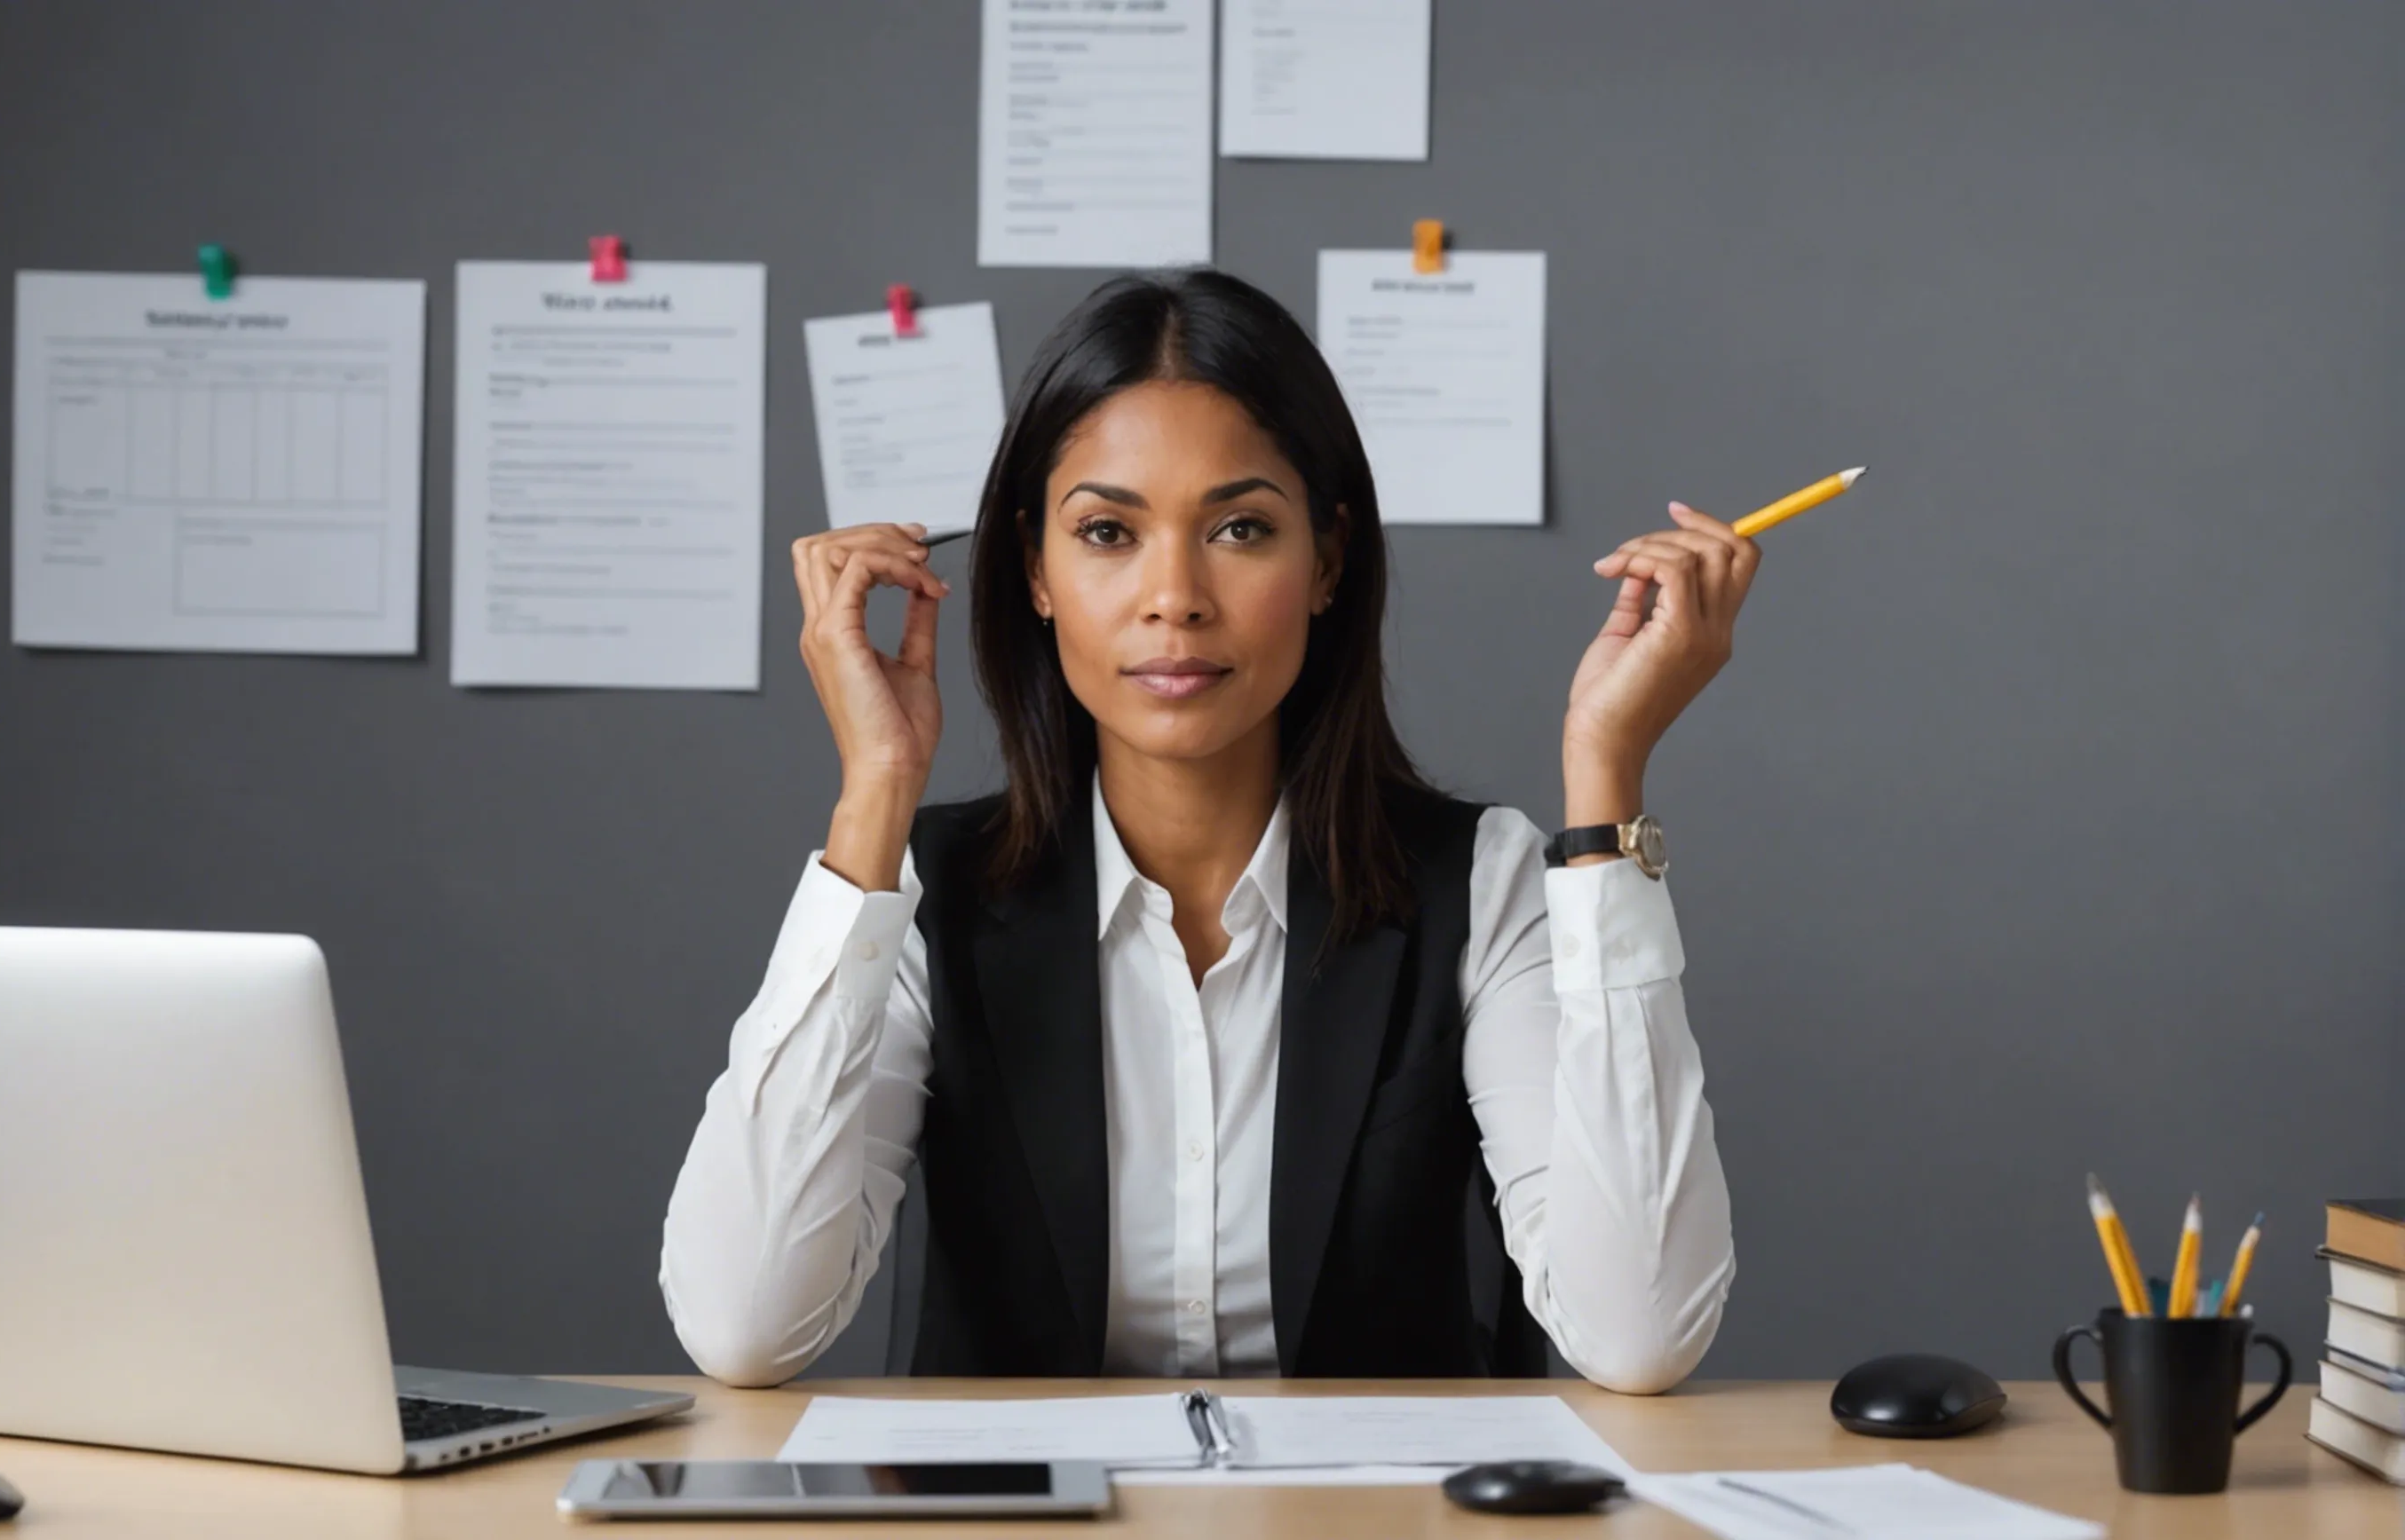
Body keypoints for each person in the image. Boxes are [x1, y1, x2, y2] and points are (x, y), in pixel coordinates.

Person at [661, 268, 1742, 1392]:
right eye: (1107, 532)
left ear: (1326, 559)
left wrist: (1605, 779)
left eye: (1238, 527)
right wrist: (873, 793)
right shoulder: (928, 893)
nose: (1173, 596)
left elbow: (1641, 1333)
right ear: (1034, 569)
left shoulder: (1482, 881)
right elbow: (744, 1326)